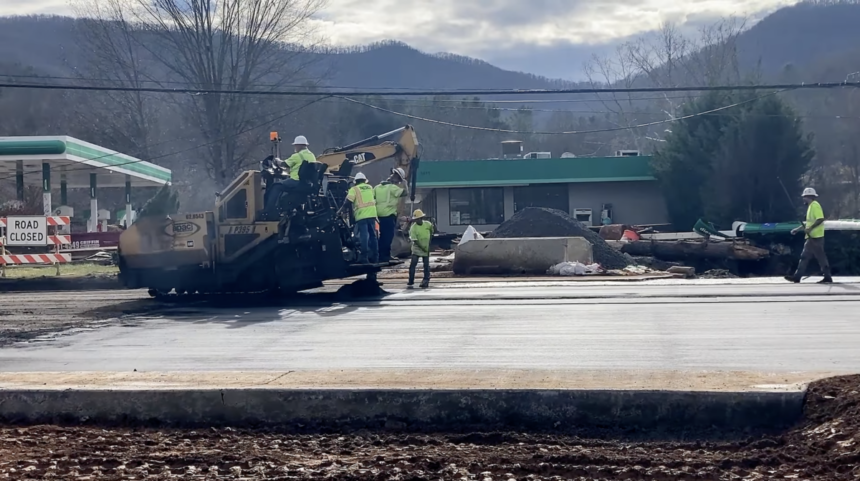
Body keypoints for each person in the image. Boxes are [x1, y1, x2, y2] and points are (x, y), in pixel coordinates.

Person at [785, 187, 832, 284]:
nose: (803, 199)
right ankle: (797, 277)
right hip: (812, 237)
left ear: (809, 197)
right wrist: (797, 229)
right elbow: (808, 223)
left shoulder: (815, 205)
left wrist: (810, 229)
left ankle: (827, 277)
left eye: (804, 197)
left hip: (816, 237)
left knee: (819, 257)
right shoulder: (811, 206)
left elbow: (820, 219)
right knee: (806, 257)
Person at [263, 135, 317, 214]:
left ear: (299, 145)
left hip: (296, 181)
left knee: (276, 186)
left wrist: (277, 160)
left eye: (295, 145)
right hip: (307, 183)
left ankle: (269, 211)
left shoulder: (297, 155)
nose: (295, 147)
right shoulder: (311, 155)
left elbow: (284, 164)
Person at [338, 172, 378, 265]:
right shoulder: (370, 187)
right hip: (372, 214)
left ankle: (364, 258)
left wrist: (339, 212)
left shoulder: (354, 189)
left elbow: (347, 202)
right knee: (373, 237)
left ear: (356, 181)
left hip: (362, 216)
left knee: (364, 237)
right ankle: (376, 256)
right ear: (365, 180)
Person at [374, 167, 408, 262]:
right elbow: (405, 193)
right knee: (388, 237)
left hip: (379, 215)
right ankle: (385, 256)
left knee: (382, 237)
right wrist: (405, 184)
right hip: (389, 215)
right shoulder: (393, 188)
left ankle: (381, 255)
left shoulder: (377, 187)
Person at [408, 209, 433, 289]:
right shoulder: (413, 228)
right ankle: (411, 280)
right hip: (417, 249)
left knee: (426, 265)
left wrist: (428, 245)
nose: (417, 220)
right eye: (416, 219)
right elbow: (415, 241)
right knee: (413, 265)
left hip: (426, 248)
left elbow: (431, 232)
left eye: (418, 219)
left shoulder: (428, 224)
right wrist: (423, 248)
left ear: (422, 218)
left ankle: (426, 279)